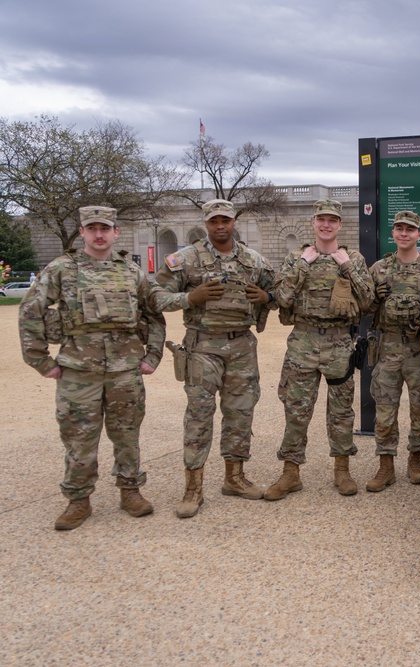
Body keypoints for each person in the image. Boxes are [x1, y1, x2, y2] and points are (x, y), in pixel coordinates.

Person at [19, 206, 219, 530]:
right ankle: (78, 500)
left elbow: (154, 312)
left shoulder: (131, 272)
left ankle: (130, 491)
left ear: (116, 233)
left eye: (105, 228)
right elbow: (30, 311)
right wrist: (40, 361)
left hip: (125, 371)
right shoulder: (61, 269)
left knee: (127, 435)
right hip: (77, 373)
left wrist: (153, 355)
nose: (99, 234)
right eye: (92, 228)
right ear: (82, 232)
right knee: (79, 438)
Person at [155, 198, 276, 518]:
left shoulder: (254, 260)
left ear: (234, 220)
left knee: (240, 414)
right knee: (199, 417)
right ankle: (193, 487)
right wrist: (188, 298)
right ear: (206, 223)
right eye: (213, 221)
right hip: (203, 348)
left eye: (226, 220)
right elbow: (155, 296)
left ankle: (234, 478)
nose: (220, 225)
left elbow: (278, 292)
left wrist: (267, 297)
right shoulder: (186, 259)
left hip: (240, 348)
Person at [263, 199, 376, 500]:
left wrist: (347, 266)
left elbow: (367, 301)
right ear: (313, 222)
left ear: (340, 225)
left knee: (341, 411)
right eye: (321, 219)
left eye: (332, 220)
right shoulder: (295, 257)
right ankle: (290, 473)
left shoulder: (353, 258)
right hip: (304, 341)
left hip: (339, 343)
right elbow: (282, 298)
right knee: (296, 410)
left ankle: (342, 470)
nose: (326, 225)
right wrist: (303, 265)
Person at [364, 210, 420, 492]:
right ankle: (386, 466)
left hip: (419, 350)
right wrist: (375, 300)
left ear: (419, 235)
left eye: (410, 229)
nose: (404, 233)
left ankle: (415, 461)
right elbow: (364, 309)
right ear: (393, 233)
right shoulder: (379, 269)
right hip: (388, 348)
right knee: (384, 410)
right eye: (399, 228)